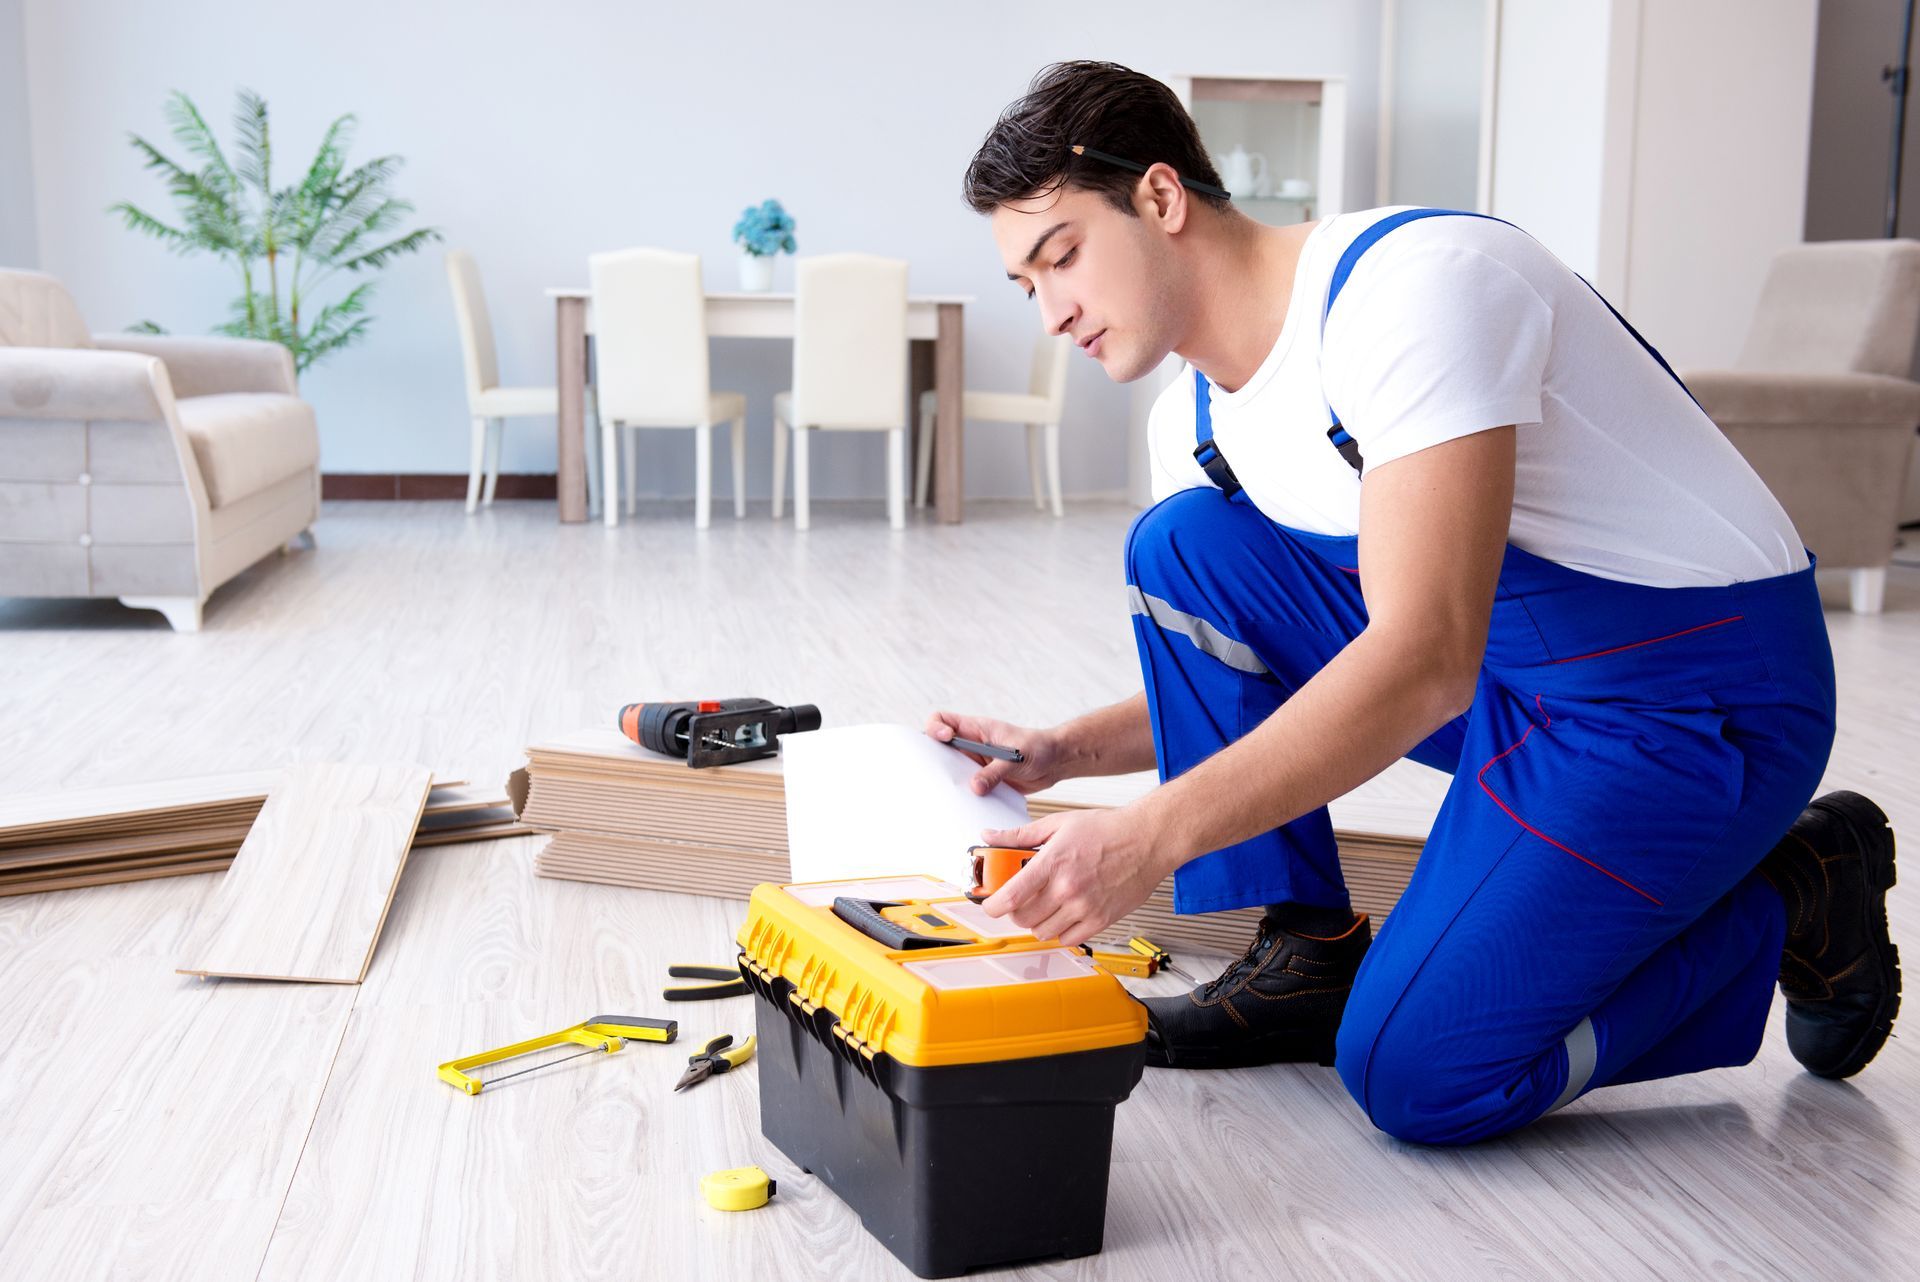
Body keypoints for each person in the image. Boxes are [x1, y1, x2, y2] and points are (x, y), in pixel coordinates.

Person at [926, 61, 1900, 1146]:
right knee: (1184, 547)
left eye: (1060, 258)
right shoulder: (1192, 420)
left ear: (1160, 199)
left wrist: (1145, 837)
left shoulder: (1416, 290)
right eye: (1026, 285)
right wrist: (1068, 751)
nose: (1052, 312)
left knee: (1422, 1074)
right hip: (1514, 681)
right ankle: (1307, 952)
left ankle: (1797, 891)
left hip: (1688, 702)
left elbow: (1425, 654)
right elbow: (1277, 676)